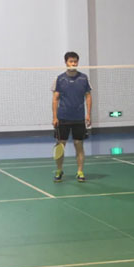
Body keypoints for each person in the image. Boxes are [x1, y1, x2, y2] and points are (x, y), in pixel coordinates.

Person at [52, 51, 92, 183]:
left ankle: (80, 171)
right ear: (66, 62)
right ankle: (59, 170)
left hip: (78, 118)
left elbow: (88, 96)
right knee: (60, 146)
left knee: (78, 145)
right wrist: (55, 117)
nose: (73, 63)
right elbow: (55, 99)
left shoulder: (84, 78)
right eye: (71, 61)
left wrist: (88, 114)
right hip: (63, 117)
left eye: (75, 61)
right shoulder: (59, 79)